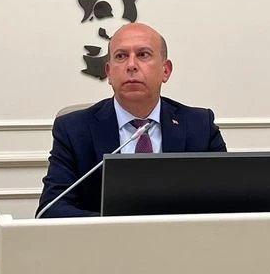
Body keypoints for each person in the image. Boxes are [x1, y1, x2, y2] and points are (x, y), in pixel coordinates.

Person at [37, 23, 226, 217]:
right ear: (109, 73)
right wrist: (122, 227)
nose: (131, 65)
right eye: (121, 56)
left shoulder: (200, 126)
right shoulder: (73, 130)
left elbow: (228, 203)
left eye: (143, 55)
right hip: (106, 236)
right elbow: (50, 210)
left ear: (166, 70)